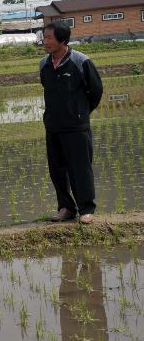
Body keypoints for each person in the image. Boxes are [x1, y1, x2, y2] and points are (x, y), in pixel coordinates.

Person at [40, 20, 103, 224]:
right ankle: (66, 208)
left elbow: (96, 91)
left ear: (62, 39)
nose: (45, 41)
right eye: (44, 37)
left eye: (49, 37)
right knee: (57, 170)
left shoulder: (80, 61)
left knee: (80, 169)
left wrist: (81, 113)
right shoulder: (44, 64)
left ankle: (87, 209)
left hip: (76, 127)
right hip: (53, 126)